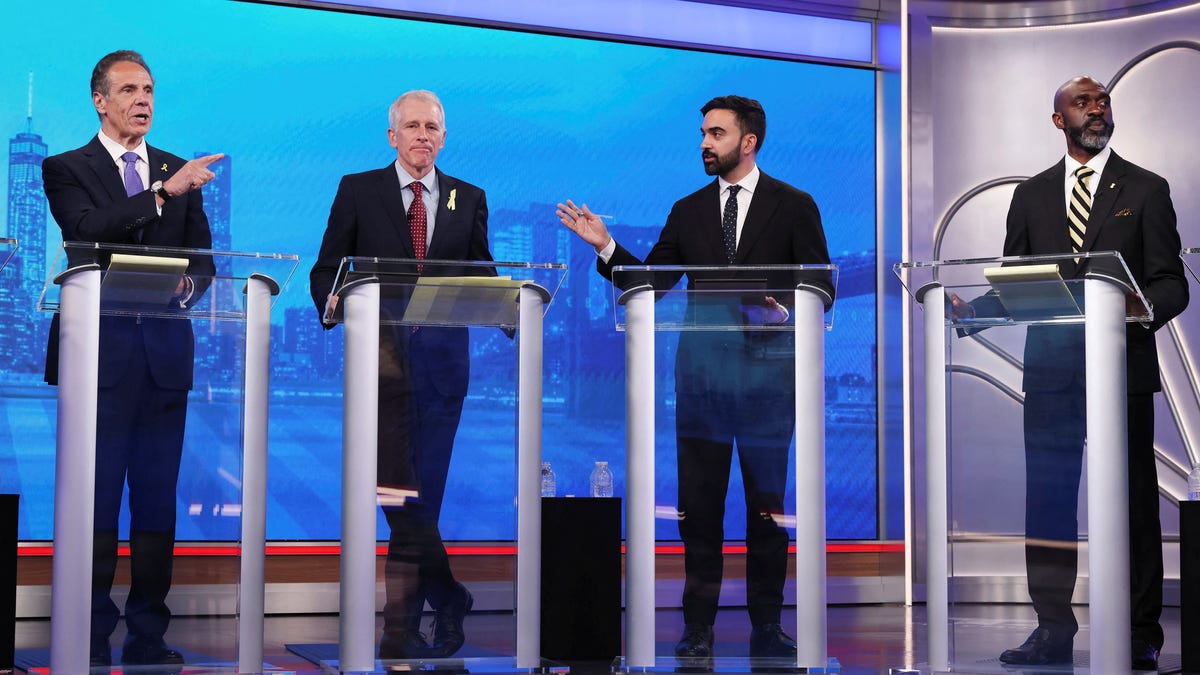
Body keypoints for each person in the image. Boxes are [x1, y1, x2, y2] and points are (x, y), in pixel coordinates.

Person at [556, 95, 833, 659]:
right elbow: (652, 282)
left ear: (748, 141)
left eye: (715, 133)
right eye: (703, 133)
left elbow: (822, 287)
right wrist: (606, 246)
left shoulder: (794, 205)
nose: (704, 143)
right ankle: (698, 629)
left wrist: (780, 311)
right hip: (702, 385)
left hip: (766, 386)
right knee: (698, 512)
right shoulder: (688, 210)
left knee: (767, 514)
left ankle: (767, 628)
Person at [950, 76, 1187, 671]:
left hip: (1121, 372)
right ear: (1059, 120)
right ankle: (1052, 630)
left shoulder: (1147, 188)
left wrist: (1140, 307)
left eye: (1103, 100)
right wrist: (968, 313)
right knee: (1049, 505)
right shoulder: (1030, 196)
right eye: (1083, 102)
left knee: (1133, 504)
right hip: (1052, 375)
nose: (1097, 108)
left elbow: (1171, 283)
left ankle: (1139, 634)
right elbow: (1017, 283)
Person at [41, 49, 221, 667]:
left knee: (154, 500)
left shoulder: (178, 168)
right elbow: (88, 233)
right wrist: (163, 193)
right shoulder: (65, 167)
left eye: (149, 89)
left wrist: (188, 287)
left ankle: (149, 629)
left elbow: (203, 263)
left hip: (164, 360)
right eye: (129, 90)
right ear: (101, 100)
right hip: (98, 360)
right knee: (93, 499)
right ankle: (88, 627)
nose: (143, 100)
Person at [309, 90, 489, 659]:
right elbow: (325, 268)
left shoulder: (469, 197)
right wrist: (331, 301)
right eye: (411, 126)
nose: (422, 136)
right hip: (381, 371)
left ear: (443, 135)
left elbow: (482, 273)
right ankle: (446, 599)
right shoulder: (358, 190)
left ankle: (399, 630)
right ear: (392, 136)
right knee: (397, 498)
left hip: (442, 374)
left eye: (432, 127)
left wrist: (512, 310)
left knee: (422, 501)